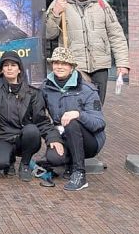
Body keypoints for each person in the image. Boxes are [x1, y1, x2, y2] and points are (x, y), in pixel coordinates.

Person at [44, 0, 130, 105]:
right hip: (74, 65)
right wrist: (55, 13)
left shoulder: (102, 4)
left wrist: (122, 63)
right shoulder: (59, 4)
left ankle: (96, 126)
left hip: (100, 65)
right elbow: (49, 34)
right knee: (78, 103)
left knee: (97, 104)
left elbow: (116, 35)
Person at [41, 47, 106, 192]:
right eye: (56, 62)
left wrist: (79, 114)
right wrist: (53, 138)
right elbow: (41, 118)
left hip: (90, 140)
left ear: (71, 67)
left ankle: (79, 173)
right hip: (63, 135)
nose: (59, 66)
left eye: (64, 63)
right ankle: (68, 163)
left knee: (72, 123)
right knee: (53, 159)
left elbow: (99, 123)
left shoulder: (88, 90)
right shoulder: (45, 88)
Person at [0, 51, 61, 182]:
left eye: (13, 65)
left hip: (25, 137)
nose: (9, 68)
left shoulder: (32, 93)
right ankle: (9, 160)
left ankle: (25, 163)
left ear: (19, 69)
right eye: (6, 65)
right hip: (4, 136)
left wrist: (53, 138)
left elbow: (42, 121)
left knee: (32, 130)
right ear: (2, 69)